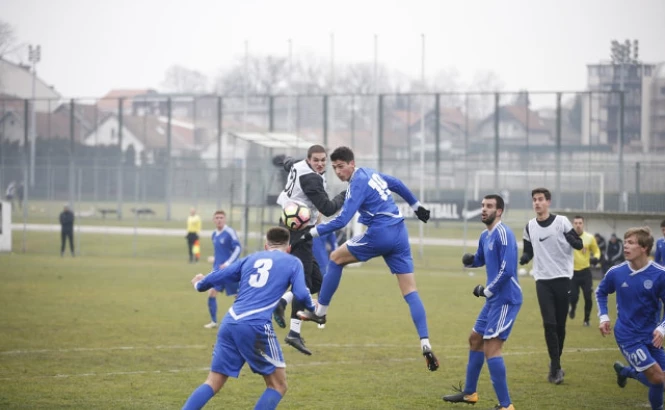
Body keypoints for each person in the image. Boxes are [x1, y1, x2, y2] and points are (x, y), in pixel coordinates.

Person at [296, 146, 439, 371]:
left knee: (335, 258)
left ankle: (320, 313)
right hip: (399, 233)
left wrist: (311, 233)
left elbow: (342, 220)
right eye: (334, 168)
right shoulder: (371, 173)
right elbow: (398, 184)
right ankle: (425, 342)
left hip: (380, 234)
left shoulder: (356, 184)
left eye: (341, 166)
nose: (338, 171)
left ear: (352, 164)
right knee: (410, 291)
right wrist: (416, 206)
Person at [183, 226, 317, 410]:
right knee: (278, 385)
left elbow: (220, 275)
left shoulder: (250, 258)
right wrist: (313, 306)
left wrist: (199, 284)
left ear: (265, 245)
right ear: (288, 248)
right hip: (255, 326)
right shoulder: (293, 262)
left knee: (213, 382)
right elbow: (301, 294)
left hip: (230, 322)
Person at [442, 194, 520, 410]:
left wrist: (486, 290)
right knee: (475, 339)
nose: (484, 209)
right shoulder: (485, 236)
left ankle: (506, 406)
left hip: (506, 299)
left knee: (492, 348)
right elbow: (482, 258)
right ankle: (470, 393)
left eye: (489, 206)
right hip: (494, 299)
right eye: (483, 206)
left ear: (500, 211)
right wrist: (471, 261)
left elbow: (507, 270)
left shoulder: (504, 234)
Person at [272, 144, 346, 355]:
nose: (321, 164)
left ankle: (281, 301)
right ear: (309, 160)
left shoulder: (299, 164)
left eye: (323, 160)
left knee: (318, 282)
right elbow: (329, 208)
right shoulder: (311, 179)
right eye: (316, 160)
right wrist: (347, 193)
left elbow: (288, 164)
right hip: (299, 231)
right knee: (303, 283)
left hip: (295, 227)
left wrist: (282, 160)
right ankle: (294, 333)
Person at [596, 227, 665, 410]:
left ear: (644, 248)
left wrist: (662, 328)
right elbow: (601, 292)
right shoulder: (616, 272)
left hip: (651, 335)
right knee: (657, 377)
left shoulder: (660, 274)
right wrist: (603, 317)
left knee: (660, 380)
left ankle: (626, 371)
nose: (625, 246)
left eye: (631, 242)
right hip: (628, 335)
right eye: (625, 242)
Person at [518, 187, 582, 384]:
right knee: (549, 324)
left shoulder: (561, 222)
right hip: (543, 280)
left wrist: (572, 239)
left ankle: (555, 363)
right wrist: (525, 257)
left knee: (560, 326)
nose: (537, 203)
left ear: (548, 202)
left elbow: (578, 244)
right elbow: (529, 250)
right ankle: (555, 367)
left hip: (563, 279)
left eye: (540, 199)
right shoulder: (529, 226)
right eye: (534, 200)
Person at [203, 210, 242, 329]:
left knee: (238, 297)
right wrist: (215, 264)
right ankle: (214, 322)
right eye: (217, 218)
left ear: (225, 219)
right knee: (212, 293)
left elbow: (237, 248)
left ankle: (245, 320)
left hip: (230, 271)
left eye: (221, 217)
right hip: (218, 271)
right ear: (213, 220)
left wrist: (228, 263)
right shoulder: (214, 234)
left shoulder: (229, 232)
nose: (219, 220)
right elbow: (220, 252)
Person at [568, 216, 601, 327]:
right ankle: (572, 308)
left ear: (583, 224)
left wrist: (596, 258)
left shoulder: (589, 238)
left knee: (588, 296)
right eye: (576, 223)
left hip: (585, 272)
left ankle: (586, 320)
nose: (578, 225)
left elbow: (596, 251)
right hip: (572, 273)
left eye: (580, 223)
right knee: (573, 296)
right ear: (573, 224)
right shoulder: (568, 238)